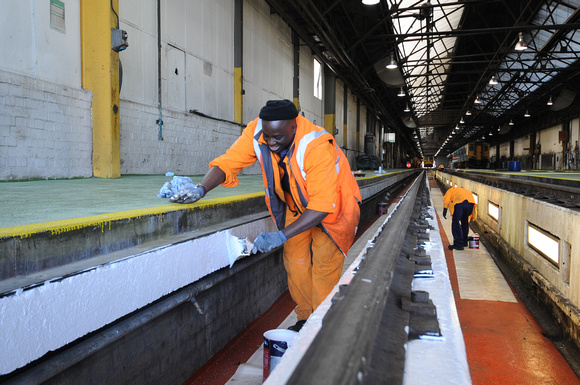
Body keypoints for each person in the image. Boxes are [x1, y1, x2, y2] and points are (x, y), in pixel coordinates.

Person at [170, 99, 361, 332]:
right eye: (267, 136)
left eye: (277, 138)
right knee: (295, 261)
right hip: (296, 206)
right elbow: (229, 162)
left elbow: (322, 205)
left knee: (324, 266)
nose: (270, 142)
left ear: (293, 127)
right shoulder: (258, 131)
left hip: (336, 208)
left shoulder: (315, 145)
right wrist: (201, 189)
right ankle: (304, 318)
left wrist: (280, 236)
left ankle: (320, 325)